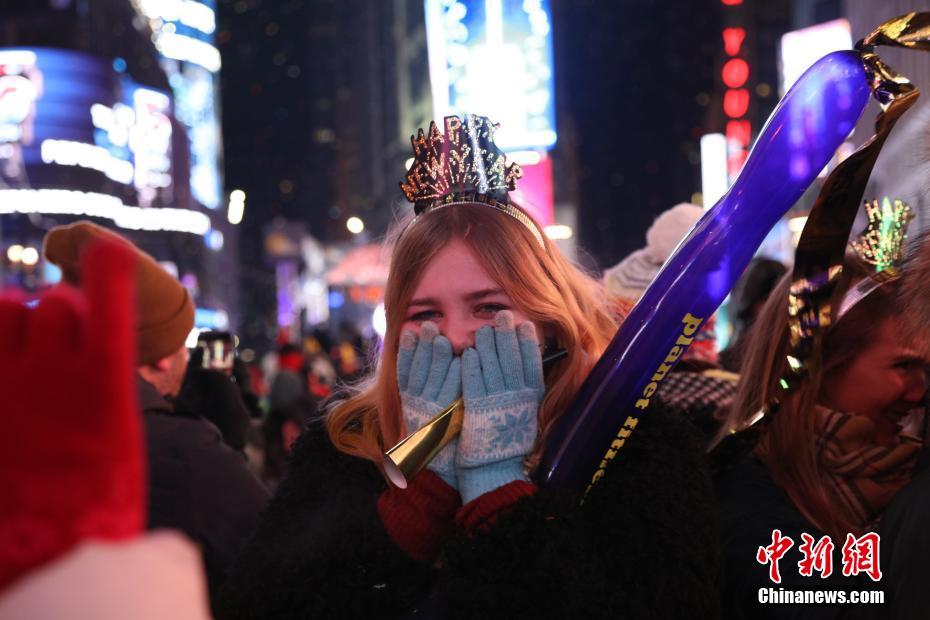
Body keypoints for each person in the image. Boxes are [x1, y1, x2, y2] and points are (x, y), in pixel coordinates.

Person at [217, 115, 719, 618]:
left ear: (545, 318)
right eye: (426, 313)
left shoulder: (631, 440)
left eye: (489, 308)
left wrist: (499, 495)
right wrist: (414, 504)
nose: (456, 335)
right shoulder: (347, 440)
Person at [42, 221, 270, 609]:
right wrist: (227, 446)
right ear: (162, 356)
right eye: (182, 340)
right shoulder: (183, 452)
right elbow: (278, 557)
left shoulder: (34, 423)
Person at [713, 255, 929, 618]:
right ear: (818, 369)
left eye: (927, 368)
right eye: (904, 366)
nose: (921, 392)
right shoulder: (737, 503)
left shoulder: (908, 475)